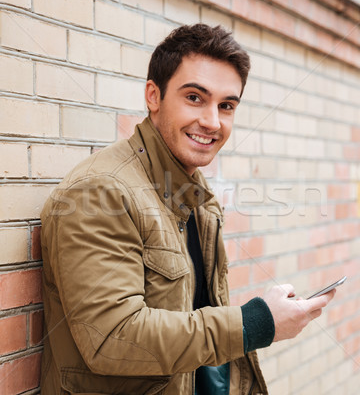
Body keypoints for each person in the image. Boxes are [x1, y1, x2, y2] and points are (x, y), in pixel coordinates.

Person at [39, 23, 335, 395]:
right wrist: (256, 324)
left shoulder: (194, 194)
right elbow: (111, 339)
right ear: (154, 96)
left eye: (226, 105)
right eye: (195, 97)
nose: (212, 121)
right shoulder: (100, 192)